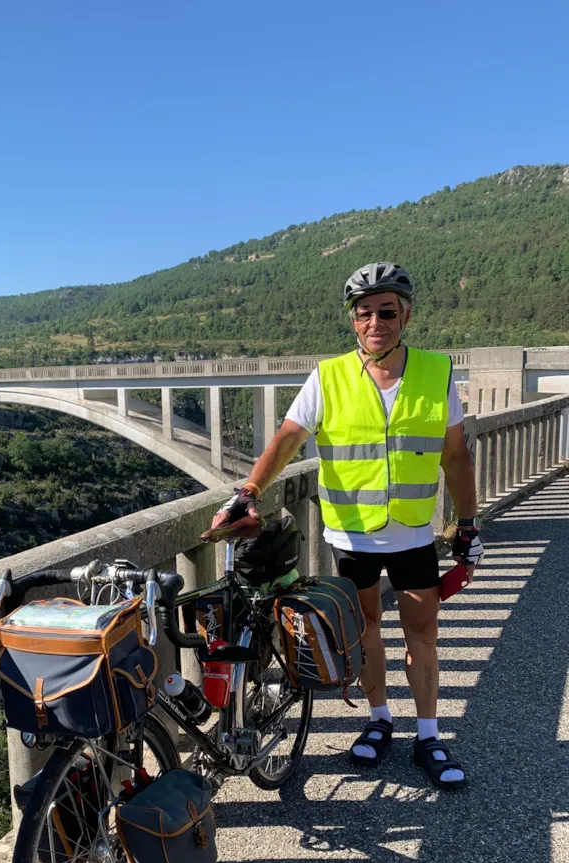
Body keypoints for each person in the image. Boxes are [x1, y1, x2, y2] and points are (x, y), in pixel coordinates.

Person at [207, 262, 483, 789]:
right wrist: (247, 493)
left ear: (405, 315)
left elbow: (456, 455)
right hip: (352, 535)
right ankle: (379, 720)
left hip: (412, 533)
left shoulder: (436, 372)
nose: (375, 321)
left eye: (386, 311)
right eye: (364, 314)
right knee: (368, 633)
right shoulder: (327, 376)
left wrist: (467, 526)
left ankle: (429, 734)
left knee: (423, 633)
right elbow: (288, 437)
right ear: (353, 321)